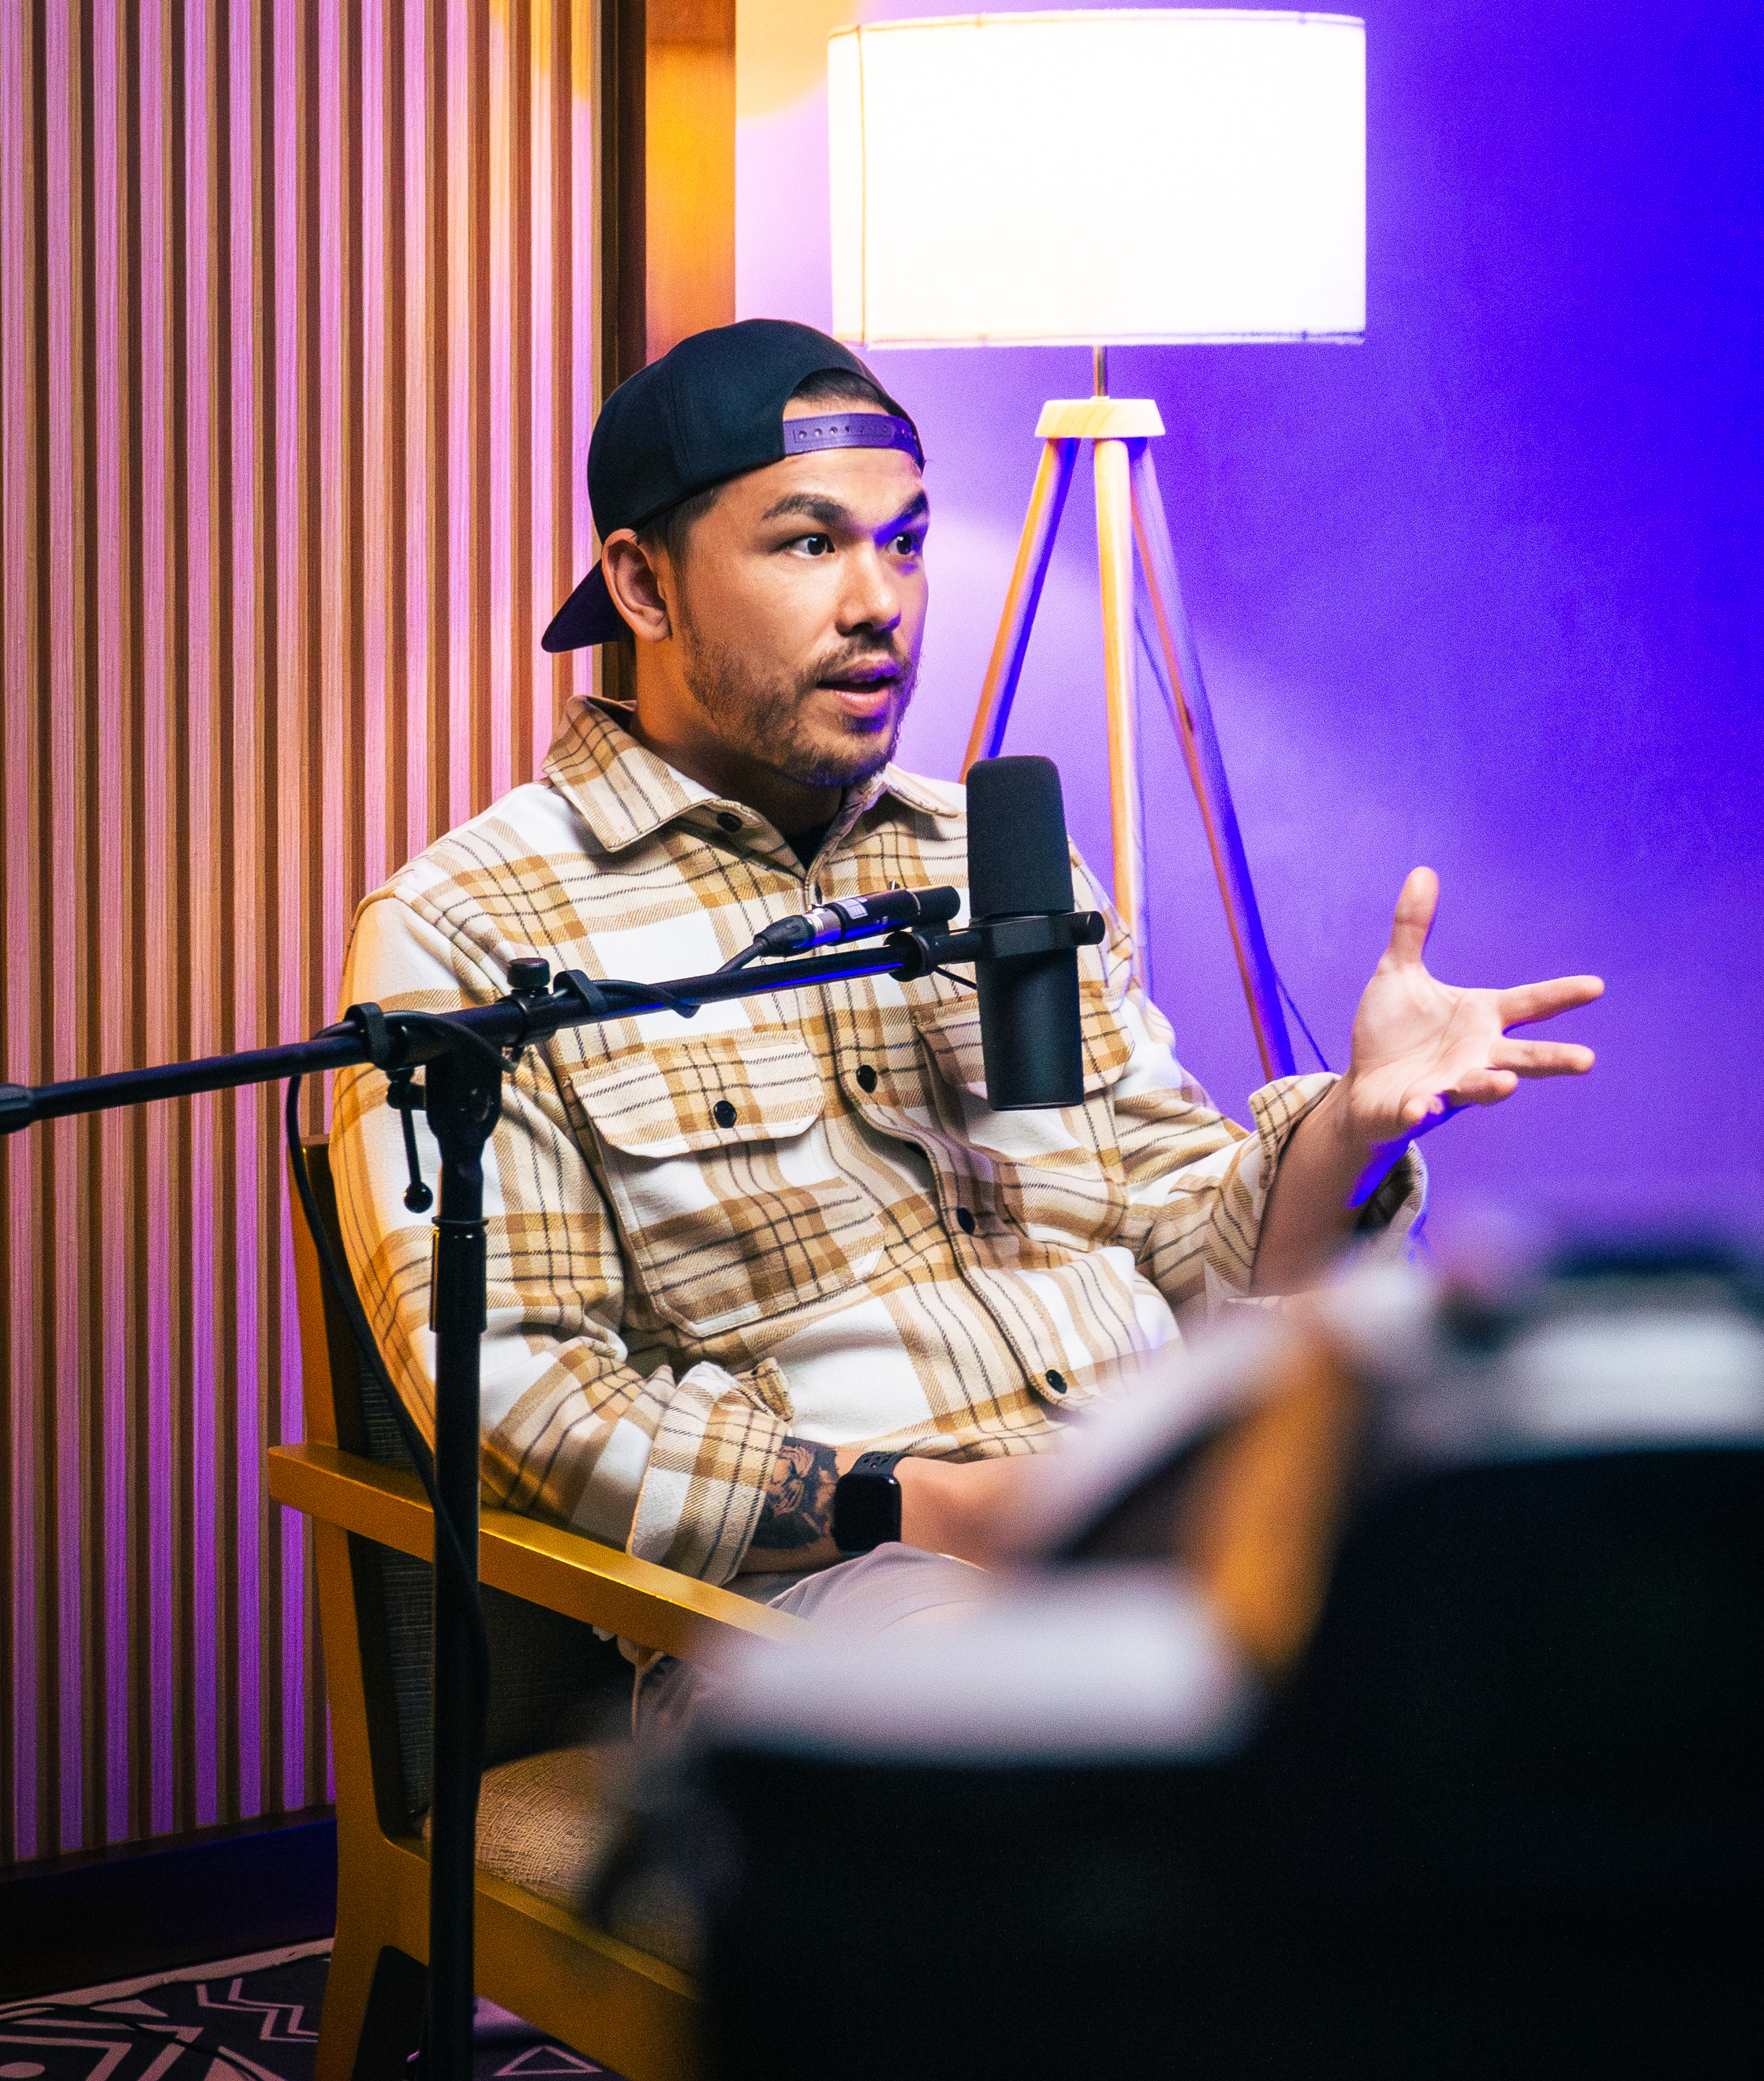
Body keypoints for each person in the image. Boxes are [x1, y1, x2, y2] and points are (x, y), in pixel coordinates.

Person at [332, 318, 1601, 1608]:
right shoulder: (470, 929)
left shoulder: (991, 855)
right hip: (851, 1589)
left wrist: (1352, 1126)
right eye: (811, 542)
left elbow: (1185, 1236)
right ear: (645, 585)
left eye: (906, 542)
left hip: (1161, 1507)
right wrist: (937, 1508)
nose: (879, 602)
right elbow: (527, 1407)